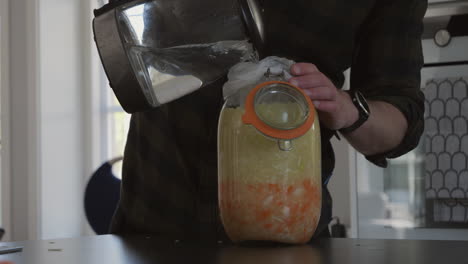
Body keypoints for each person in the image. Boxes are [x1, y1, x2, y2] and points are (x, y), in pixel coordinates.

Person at [110, 0, 428, 242]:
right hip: (155, 212)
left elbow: (400, 119)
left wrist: (346, 109)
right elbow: (132, 30)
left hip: (284, 230)